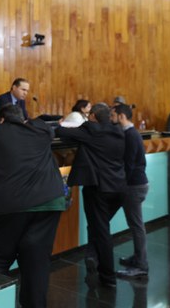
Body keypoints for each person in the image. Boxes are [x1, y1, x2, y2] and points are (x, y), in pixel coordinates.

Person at [0, 104, 66, 308]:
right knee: (36, 264)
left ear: (1, 119)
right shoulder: (41, 130)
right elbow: (48, 128)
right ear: (23, 119)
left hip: (6, 205)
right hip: (48, 203)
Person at [55, 103, 126, 288]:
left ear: (92, 116)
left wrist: (62, 124)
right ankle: (92, 256)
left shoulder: (91, 130)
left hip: (99, 188)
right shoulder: (118, 130)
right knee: (98, 227)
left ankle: (108, 277)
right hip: (120, 187)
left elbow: (61, 132)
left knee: (101, 231)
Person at [111, 103, 149, 279]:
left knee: (136, 226)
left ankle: (141, 265)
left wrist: (118, 182)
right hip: (134, 185)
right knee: (136, 225)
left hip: (134, 186)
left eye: (113, 115)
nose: (111, 119)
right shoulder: (129, 133)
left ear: (121, 116)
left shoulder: (131, 135)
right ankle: (138, 258)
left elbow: (129, 164)